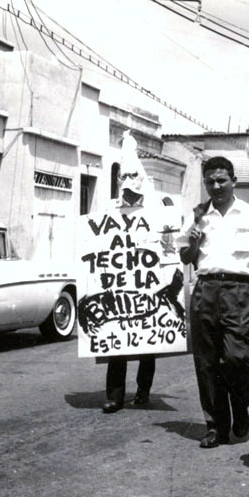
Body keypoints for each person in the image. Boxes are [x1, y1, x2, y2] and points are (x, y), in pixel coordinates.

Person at [178, 155, 249, 447]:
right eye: (210, 181)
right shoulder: (198, 215)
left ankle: (241, 407)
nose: (216, 186)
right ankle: (215, 426)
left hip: (239, 291)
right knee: (206, 361)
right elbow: (185, 257)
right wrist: (194, 242)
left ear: (234, 181)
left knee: (238, 357)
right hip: (205, 289)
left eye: (222, 180)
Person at [101, 132, 159, 414]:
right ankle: (114, 394)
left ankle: (143, 389)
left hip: (148, 284)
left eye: (132, 176)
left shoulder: (154, 210)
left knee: (148, 339)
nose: (127, 183)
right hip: (118, 285)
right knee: (117, 340)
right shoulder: (110, 210)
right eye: (122, 177)